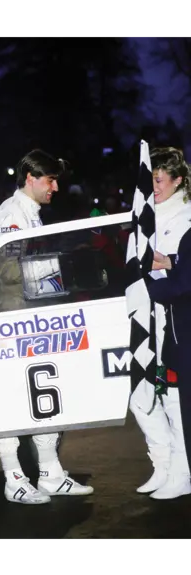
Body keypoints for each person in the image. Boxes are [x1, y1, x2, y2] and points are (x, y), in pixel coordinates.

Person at [0, 149, 94, 504]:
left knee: (44, 395)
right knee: (14, 399)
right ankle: (14, 478)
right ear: (31, 178)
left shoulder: (29, 213)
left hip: (32, 315)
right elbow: (4, 271)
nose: (56, 187)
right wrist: (55, 267)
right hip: (11, 316)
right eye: (50, 179)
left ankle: (50, 473)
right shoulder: (12, 215)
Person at [131, 147, 191, 500]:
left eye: (158, 180)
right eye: (149, 180)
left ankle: (182, 472)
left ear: (177, 180)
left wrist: (163, 266)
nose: (153, 187)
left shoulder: (185, 217)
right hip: (147, 319)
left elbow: (182, 273)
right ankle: (164, 464)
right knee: (140, 395)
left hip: (172, 323)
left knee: (173, 399)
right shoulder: (145, 214)